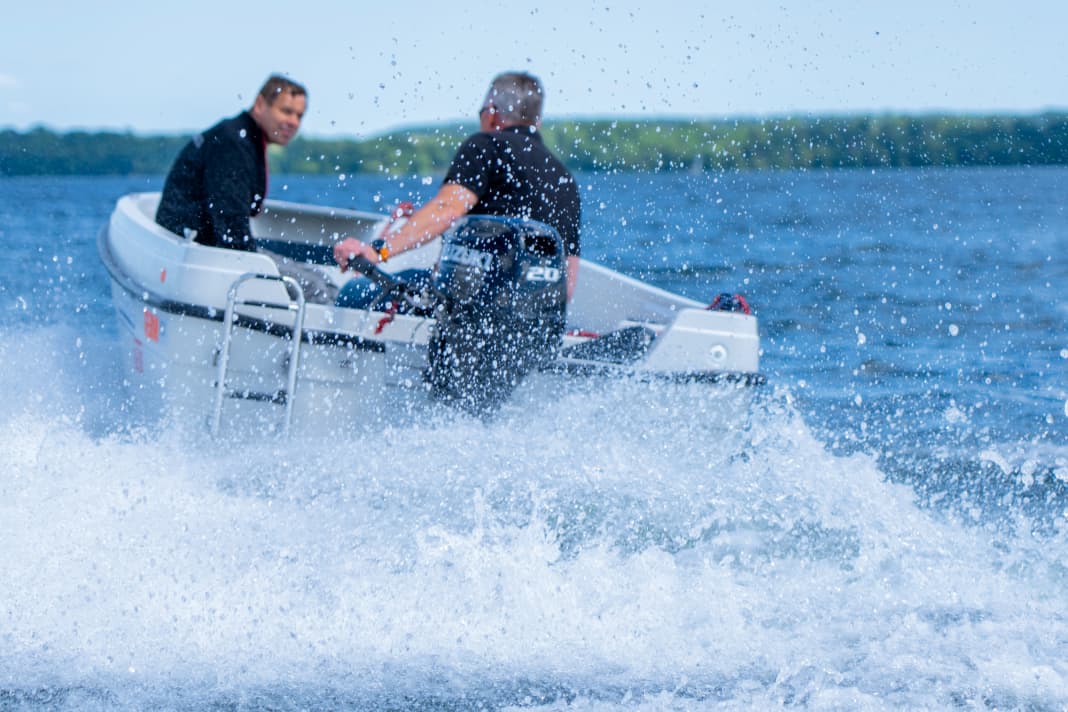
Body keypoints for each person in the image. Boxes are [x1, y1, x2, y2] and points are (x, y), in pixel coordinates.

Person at [333, 71, 581, 300]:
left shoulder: (485, 145)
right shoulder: (563, 178)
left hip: (466, 305)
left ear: (492, 113)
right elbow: (567, 286)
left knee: (351, 293)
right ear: (536, 120)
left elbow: (446, 209)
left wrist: (379, 252)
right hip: (531, 319)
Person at [156, 74, 337, 303]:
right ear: (261, 104)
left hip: (208, 246)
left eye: (299, 115)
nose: (293, 122)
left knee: (322, 278)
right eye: (286, 111)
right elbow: (231, 230)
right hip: (200, 254)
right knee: (316, 289)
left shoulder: (243, 137)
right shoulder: (233, 144)